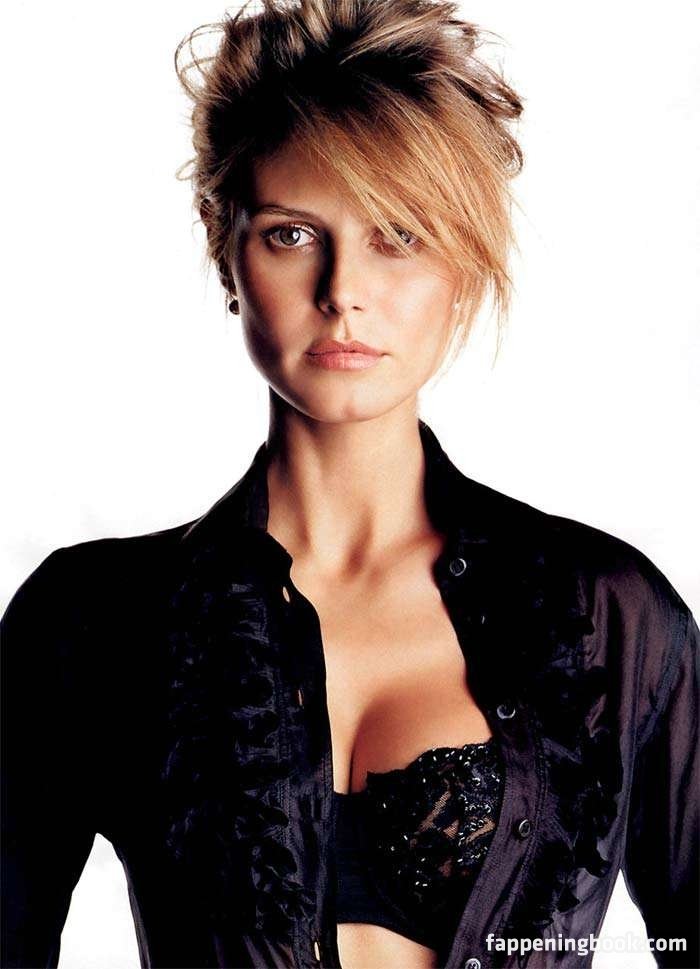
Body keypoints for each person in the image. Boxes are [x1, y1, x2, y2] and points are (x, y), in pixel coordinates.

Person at [1, 1, 698, 968]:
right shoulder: (91, 621)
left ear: (463, 259)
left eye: (399, 235)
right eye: (292, 234)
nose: (343, 293)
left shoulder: (608, 618)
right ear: (224, 248)